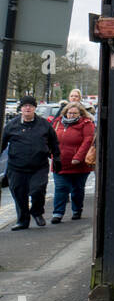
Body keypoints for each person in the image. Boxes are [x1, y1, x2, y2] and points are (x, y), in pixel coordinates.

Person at [0, 95, 61, 229]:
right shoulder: (11, 126)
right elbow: (2, 144)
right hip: (16, 167)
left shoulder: (44, 124)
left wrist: (56, 157)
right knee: (19, 195)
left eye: (30, 106)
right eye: (25, 105)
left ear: (34, 108)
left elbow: (54, 142)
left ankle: (37, 212)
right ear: (21, 108)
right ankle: (23, 220)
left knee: (38, 191)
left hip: (38, 166)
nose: (28, 108)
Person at [52, 100, 95, 223]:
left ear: (80, 114)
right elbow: (50, 139)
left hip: (78, 165)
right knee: (61, 188)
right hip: (60, 162)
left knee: (77, 189)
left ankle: (77, 210)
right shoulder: (58, 122)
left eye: (75, 113)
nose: (71, 115)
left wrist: (78, 157)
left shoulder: (86, 124)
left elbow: (88, 141)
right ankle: (58, 213)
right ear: (65, 113)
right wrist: (51, 153)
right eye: (69, 113)